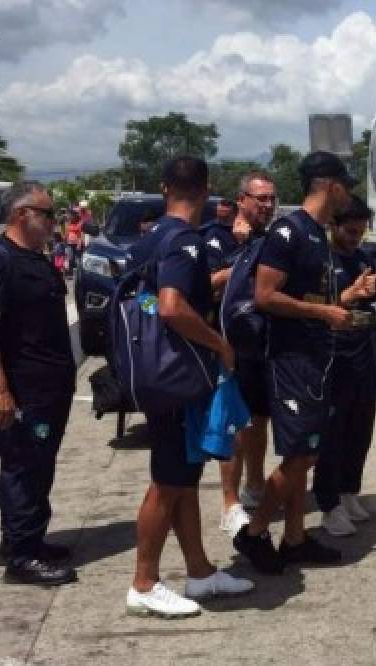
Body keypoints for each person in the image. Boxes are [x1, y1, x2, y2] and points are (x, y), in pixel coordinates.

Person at [233, 152, 376, 573]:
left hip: (318, 359)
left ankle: (295, 537)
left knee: (309, 453)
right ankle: (255, 532)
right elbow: (265, 296)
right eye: (345, 186)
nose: (348, 195)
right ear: (330, 186)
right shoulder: (288, 232)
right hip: (291, 359)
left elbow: (315, 299)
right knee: (299, 454)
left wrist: (345, 300)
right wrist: (323, 314)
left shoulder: (316, 234)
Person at [126, 156, 253, 619]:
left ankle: (199, 570)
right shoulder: (185, 243)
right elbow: (171, 307)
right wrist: (219, 344)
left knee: (183, 478)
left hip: (157, 372)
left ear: (164, 188)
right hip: (179, 376)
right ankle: (143, 581)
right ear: (205, 190)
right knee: (168, 481)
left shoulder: (152, 237)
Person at [0, 181, 78, 585]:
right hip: (24, 389)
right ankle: (21, 557)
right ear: (21, 215)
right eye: (47, 214)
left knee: (39, 463)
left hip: (49, 386)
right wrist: (0, 388)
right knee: (24, 465)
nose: (55, 222)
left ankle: (23, 539)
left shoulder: (33, 257)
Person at [311, 195, 376, 536]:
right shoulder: (319, 261)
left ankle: (349, 491)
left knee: (361, 427)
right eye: (349, 231)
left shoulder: (363, 259)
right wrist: (345, 297)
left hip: (363, 351)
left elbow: (371, 305)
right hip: (331, 356)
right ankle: (328, 503)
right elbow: (312, 307)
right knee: (332, 433)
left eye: (361, 232)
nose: (355, 238)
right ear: (332, 225)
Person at [201, 171, 277, 539]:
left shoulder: (272, 240)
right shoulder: (216, 239)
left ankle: (255, 484)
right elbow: (205, 285)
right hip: (227, 343)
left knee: (258, 419)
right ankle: (229, 503)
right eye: (259, 198)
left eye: (271, 199)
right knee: (233, 422)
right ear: (241, 200)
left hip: (262, 344)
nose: (266, 205)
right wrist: (243, 262)